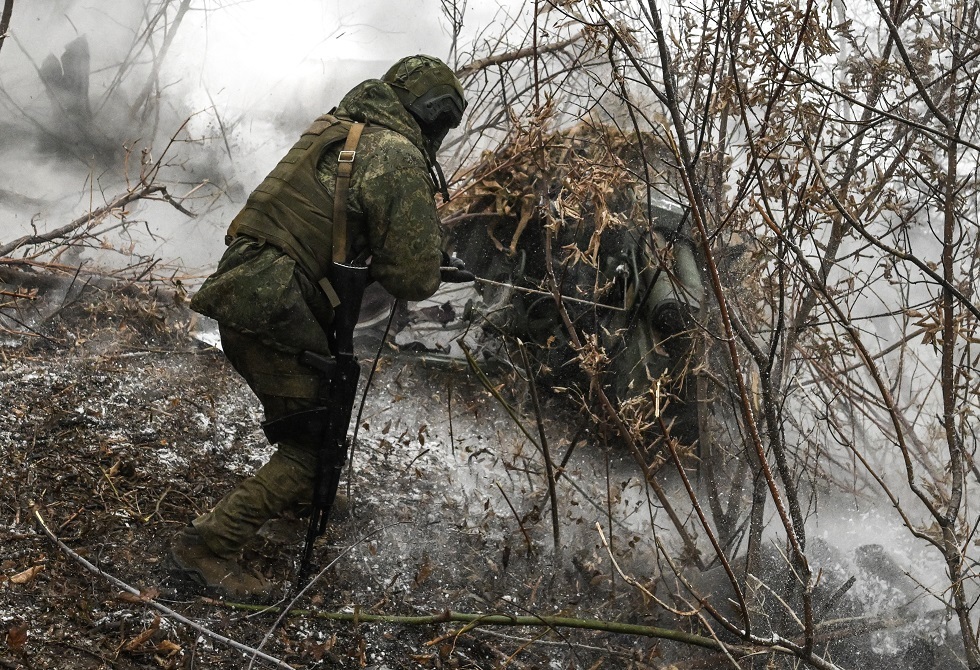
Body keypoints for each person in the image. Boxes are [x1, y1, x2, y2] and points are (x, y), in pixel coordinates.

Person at [170, 55, 470, 599]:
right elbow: (413, 276)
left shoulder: (335, 128)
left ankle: (303, 501)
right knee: (311, 447)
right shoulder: (397, 155)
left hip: (249, 291)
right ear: (433, 117)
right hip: (276, 307)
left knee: (313, 415)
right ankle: (207, 547)